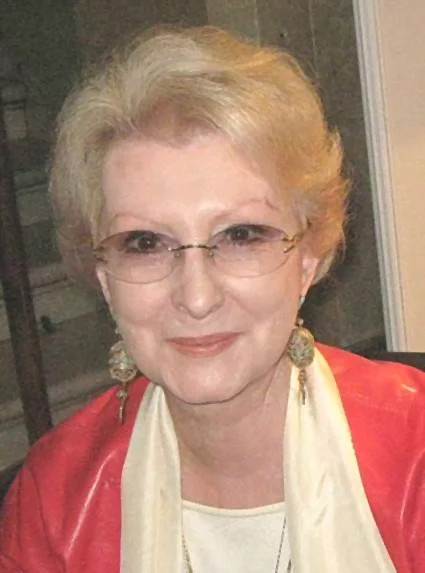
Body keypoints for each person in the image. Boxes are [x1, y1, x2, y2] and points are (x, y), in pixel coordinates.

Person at [0, 25, 424, 573]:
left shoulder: (416, 456)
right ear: (104, 276)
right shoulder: (54, 498)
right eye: (145, 243)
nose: (196, 298)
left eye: (241, 235)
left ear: (307, 259)